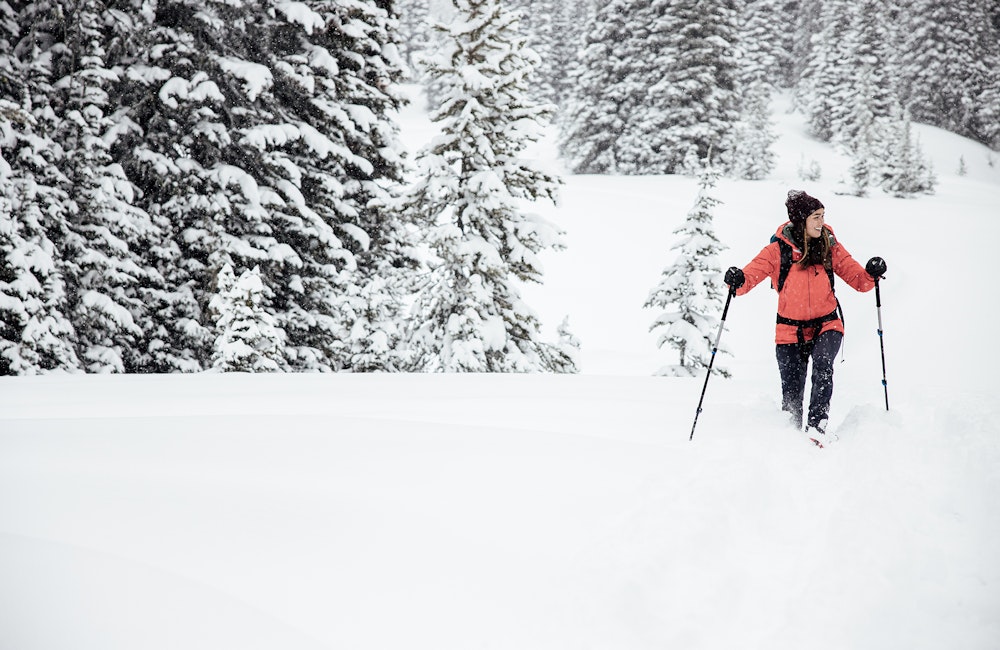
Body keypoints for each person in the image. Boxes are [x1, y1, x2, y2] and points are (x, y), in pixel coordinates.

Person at [723, 190, 887, 446]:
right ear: (801, 220)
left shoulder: (830, 245)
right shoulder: (777, 250)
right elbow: (750, 276)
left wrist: (871, 273)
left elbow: (860, 281)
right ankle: (789, 439)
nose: (821, 222)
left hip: (827, 324)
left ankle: (817, 427)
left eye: (823, 216)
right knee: (792, 391)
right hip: (789, 330)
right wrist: (737, 281)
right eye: (815, 217)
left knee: (823, 365)